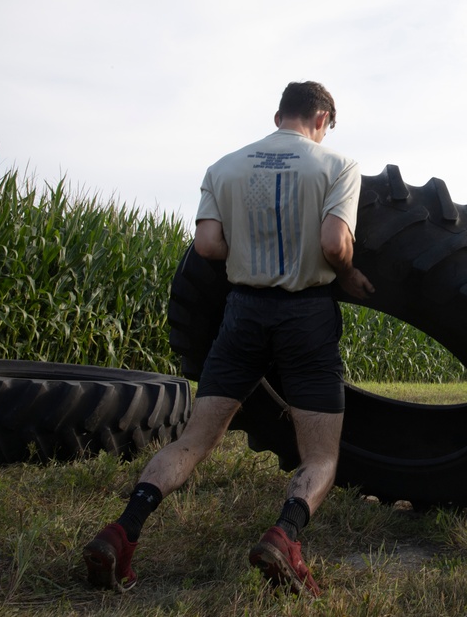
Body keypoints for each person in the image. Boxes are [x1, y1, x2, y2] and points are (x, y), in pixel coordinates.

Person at [82, 81, 374, 597]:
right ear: (323, 117)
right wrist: (348, 275)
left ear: (280, 113)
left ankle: (122, 531)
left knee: (193, 441)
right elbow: (334, 243)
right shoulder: (336, 166)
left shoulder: (225, 167)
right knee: (320, 457)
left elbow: (208, 245)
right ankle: (285, 537)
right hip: (305, 317)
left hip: (242, 314)